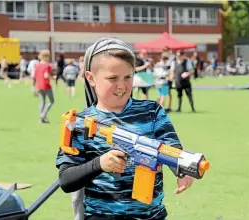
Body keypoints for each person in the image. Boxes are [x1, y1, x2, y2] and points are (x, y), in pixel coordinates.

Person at [56, 37, 194, 220]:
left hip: (152, 216)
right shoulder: (79, 123)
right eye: (112, 78)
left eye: (128, 77)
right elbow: (66, 180)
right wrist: (100, 164)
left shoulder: (152, 111)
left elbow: (172, 147)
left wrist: (182, 168)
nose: (122, 85)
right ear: (91, 78)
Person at [34, 50, 54, 123]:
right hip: (46, 85)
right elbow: (46, 75)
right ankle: (43, 114)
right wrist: (52, 78)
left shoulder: (37, 65)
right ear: (46, 57)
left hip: (39, 85)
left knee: (42, 102)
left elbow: (35, 76)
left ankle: (41, 119)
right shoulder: (47, 65)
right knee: (51, 101)